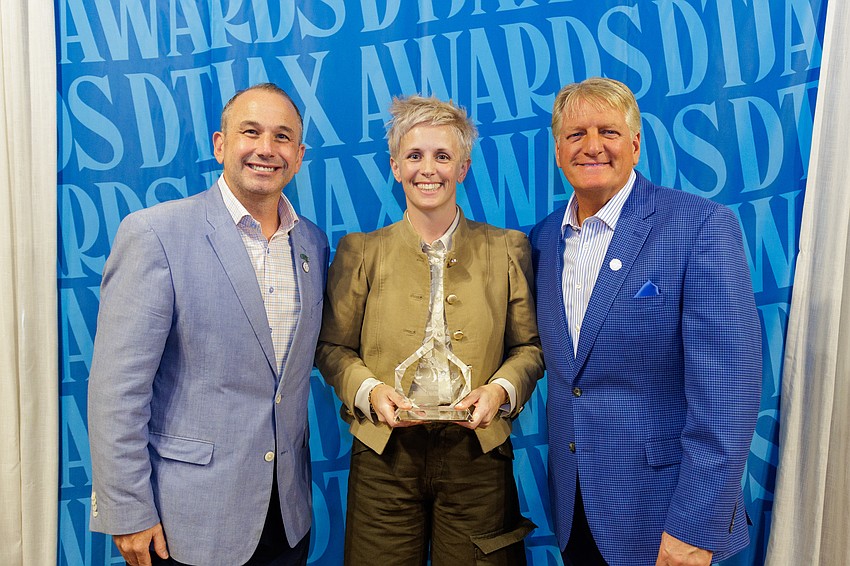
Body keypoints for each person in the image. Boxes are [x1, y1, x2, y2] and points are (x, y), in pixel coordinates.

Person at [88, 83, 329, 566]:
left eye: (282, 137)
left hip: (287, 519)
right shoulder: (156, 234)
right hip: (187, 521)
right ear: (221, 144)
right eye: (251, 132)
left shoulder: (312, 244)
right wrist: (128, 509)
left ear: (299, 156)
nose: (266, 148)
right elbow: (117, 389)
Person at [530, 78, 762, 566]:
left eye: (608, 132)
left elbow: (726, 397)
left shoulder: (700, 226)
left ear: (635, 145)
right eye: (576, 135)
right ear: (557, 151)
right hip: (577, 515)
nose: (592, 146)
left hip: (666, 523)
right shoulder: (544, 240)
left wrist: (695, 527)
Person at [315, 95, 544, 565]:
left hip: (478, 455)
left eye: (443, 156)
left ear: (463, 167)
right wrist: (369, 391)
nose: (428, 169)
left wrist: (500, 392)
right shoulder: (360, 251)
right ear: (395, 166)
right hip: (384, 454)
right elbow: (333, 347)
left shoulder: (506, 249)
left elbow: (529, 348)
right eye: (415, 156)